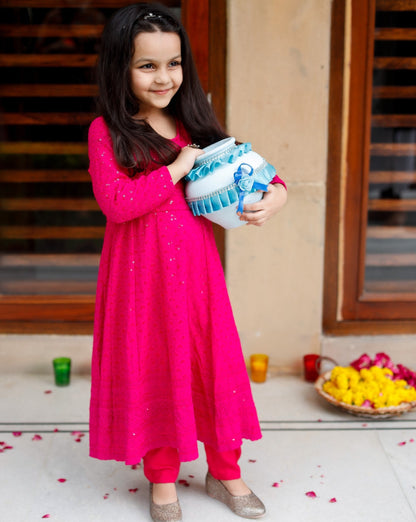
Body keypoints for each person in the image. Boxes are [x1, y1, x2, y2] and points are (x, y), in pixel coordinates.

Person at [88, 3, 287, 521]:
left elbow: (249, 167)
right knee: (153, 363)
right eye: (147, 65)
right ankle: (162, 480)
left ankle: (226, 471)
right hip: (139, 279)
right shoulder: (105, 132)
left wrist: (277, 195)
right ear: (120, 68)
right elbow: (118, 203)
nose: (164, 77)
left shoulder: (194, 120)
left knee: (210, 360)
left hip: (197, 275)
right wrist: (178, 165)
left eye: (173, 63)